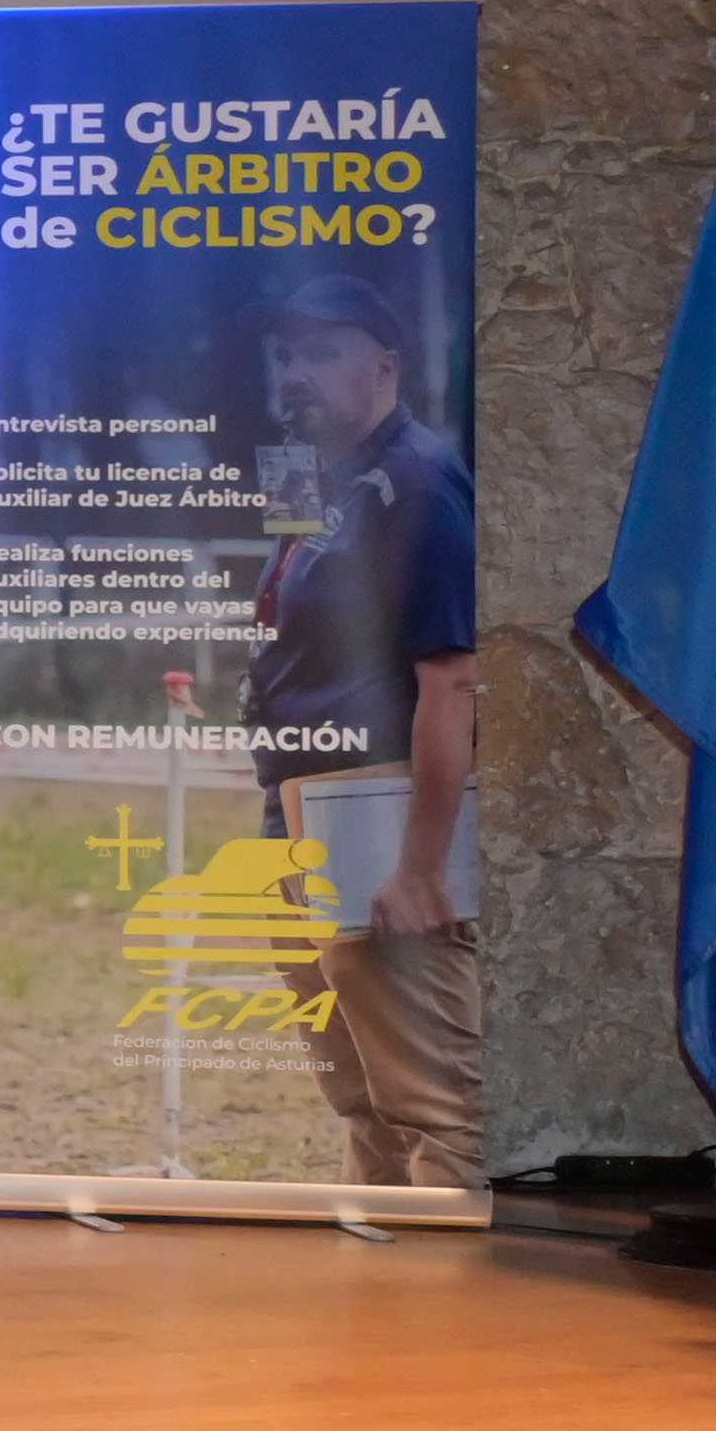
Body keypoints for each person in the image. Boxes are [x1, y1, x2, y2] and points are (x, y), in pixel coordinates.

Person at [247, 271, 482, 1192]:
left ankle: (443, 1320)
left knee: (432, 1104)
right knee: (360, 1094)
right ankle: (377, 1307)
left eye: (321, 351)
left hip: (371, 814)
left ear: (383, 365)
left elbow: (452, 678)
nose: (294, 374)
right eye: (285, 355)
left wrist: (420, 865)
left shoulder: (417, 483)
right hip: (297, 808)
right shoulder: (314, 476)